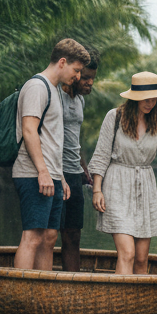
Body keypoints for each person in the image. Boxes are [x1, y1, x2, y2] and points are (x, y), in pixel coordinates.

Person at [87, 72, 157, 275]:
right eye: (146, 99)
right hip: (117, 186)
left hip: (145, 188)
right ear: (134, 98)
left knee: (142, 258)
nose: (150, 103)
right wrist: (97, 190)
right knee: (127, 253)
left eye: (154, 99)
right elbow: (101, 155)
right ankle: (121, 296)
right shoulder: (115, 117)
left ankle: (137, 297)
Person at [13, 38, 91, 271]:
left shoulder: (54, 90)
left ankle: (42, 291)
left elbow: (52, 140)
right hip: (34, 174)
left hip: (53, 176)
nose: (78, 76)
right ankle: (21, 290)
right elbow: (29, 130)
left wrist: (60, 178)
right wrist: (43, 172)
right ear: (62, 62)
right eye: (76, 70)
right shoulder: (37, 86)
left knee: (49, 238)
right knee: (33, 237)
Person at [59, 47, 100, 273]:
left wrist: (84, 168)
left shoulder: (80, 101)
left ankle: (72, 282)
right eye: (85, 77)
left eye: (93, 78)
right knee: (47, 234)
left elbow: (75, 138)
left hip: (74, 173)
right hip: (55, 173)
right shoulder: (56, 95)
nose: (89, 82)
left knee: (73, 234)